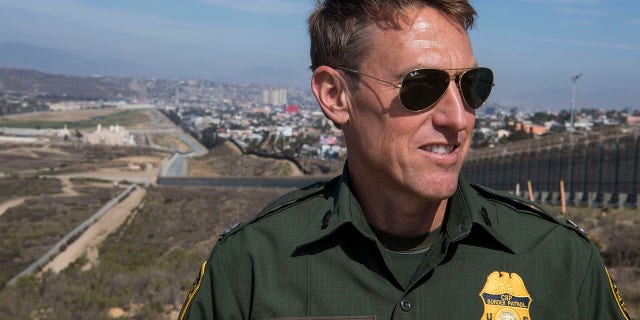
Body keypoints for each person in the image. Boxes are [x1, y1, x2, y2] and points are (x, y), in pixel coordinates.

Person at [179, 0, 631, 319]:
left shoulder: (559, 262)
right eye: (421, 86)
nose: (458, 118)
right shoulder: (252, 266)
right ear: (336, 96)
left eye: (472, 86)